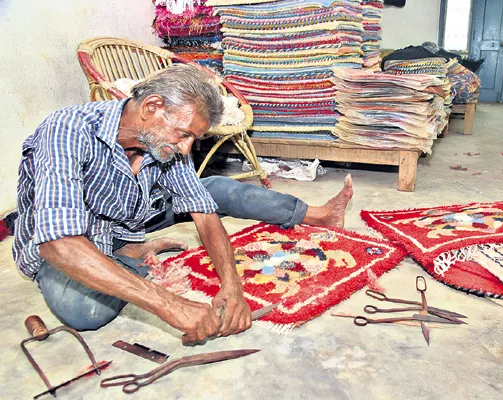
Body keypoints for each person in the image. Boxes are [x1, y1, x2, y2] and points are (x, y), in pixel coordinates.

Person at [12, 65, 353, 344]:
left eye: (195, 138)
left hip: (132, 216)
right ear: (151, 108)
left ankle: (320, 215)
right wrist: (166, 302)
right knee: (83, 310)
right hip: (67, 240)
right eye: (184, 134)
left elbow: (204, 215)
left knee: (217, 189)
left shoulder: (163, 140)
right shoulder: (67, 131)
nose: (188, 148)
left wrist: (232, 286)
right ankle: (128, 257)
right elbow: (58, 243)